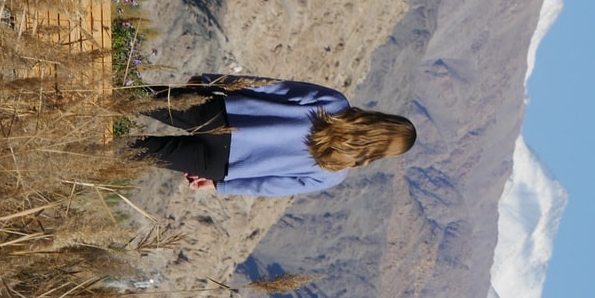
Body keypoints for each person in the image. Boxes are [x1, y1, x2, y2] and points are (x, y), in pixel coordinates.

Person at [128, 76, 416, 196]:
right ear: (381, 152)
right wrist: (219, 185)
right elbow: (267, 186)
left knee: (130, 95)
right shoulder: (332, 174)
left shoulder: (335, 105)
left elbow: (271, 87)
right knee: (131, 151)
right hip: (220, 164)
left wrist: (212, 81)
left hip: (221, 114)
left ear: (382, 120)